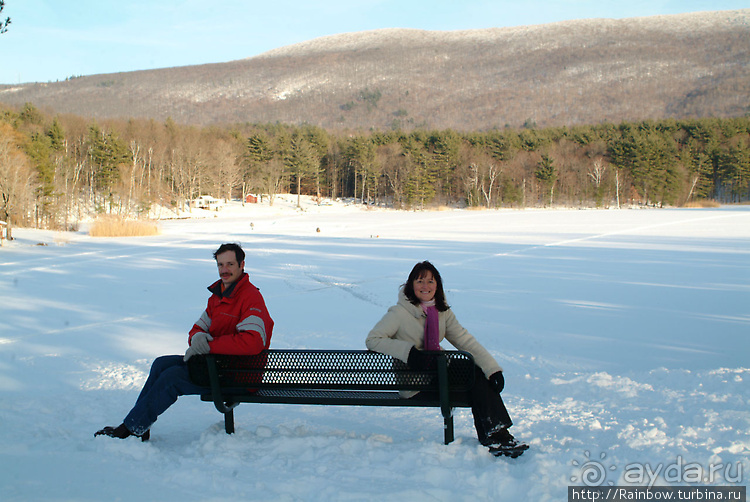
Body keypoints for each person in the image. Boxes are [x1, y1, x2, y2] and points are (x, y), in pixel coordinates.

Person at [95, 243, 274, 441]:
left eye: (230, 264)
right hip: (219, 367)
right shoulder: (218, 296)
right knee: (161, 363)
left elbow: (253, 342)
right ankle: (139, 423)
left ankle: (131, 428)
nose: (224, 270)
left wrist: (209, 345)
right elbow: (198, 328)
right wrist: (197, 338)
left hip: (239, 376)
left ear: (242, 265)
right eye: (220, 265)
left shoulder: (250, 298)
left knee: (172, 377)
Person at [365, 261, 528, 457]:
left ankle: (496, 435)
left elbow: (464, 340)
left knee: (475, 372)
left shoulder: (442, 312)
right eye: (420, 281)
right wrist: (409, 352)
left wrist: (492, 369)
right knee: (477, 386)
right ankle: (495, 435)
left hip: (438, 373)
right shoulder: (399, 312)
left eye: (430, 281)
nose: (425, 286)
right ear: (411, 284)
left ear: (437, 285)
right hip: (416, 383)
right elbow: (373, 339)